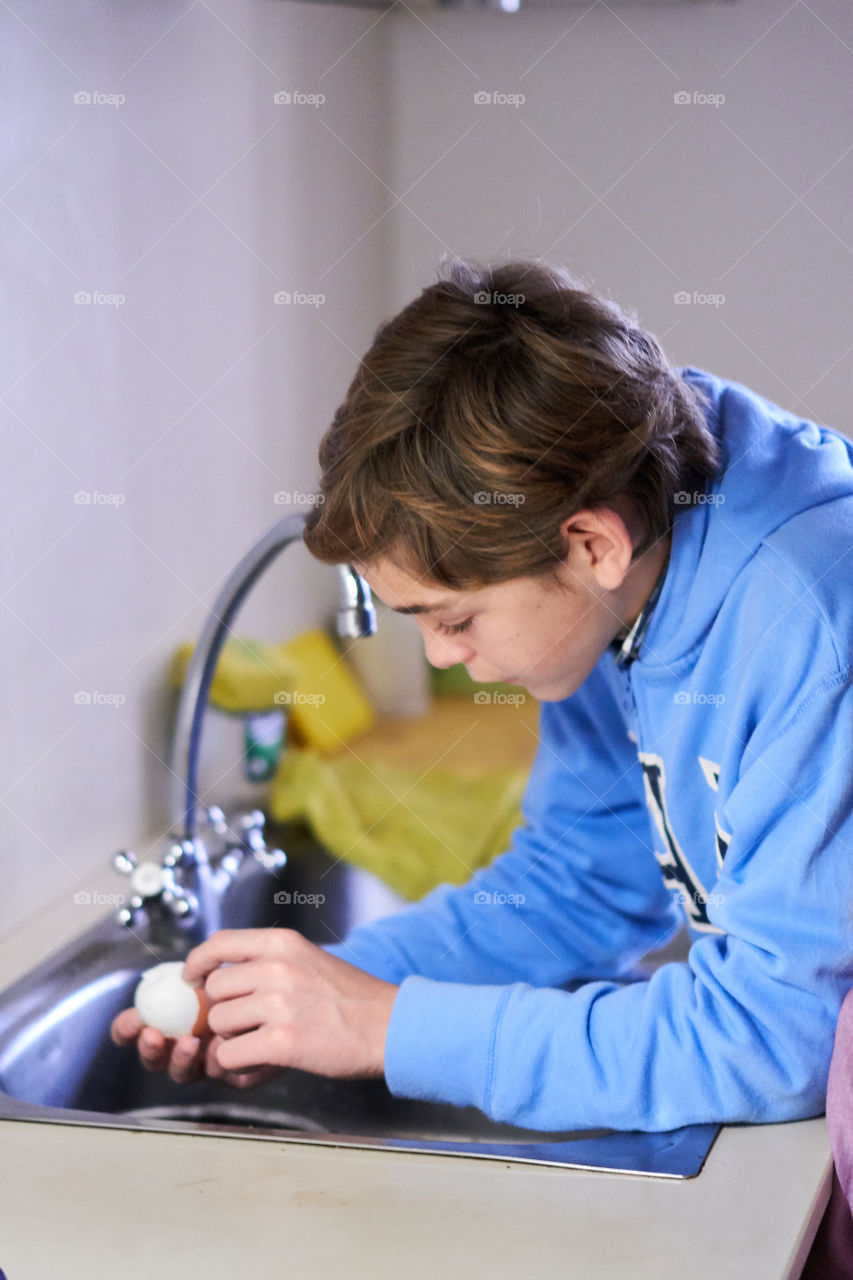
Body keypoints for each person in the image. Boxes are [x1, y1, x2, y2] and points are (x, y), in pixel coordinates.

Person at [112, 257, 853, 1139]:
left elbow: (775, 1038)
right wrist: (312, 992)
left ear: (589, 545)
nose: (444, 657)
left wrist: (382, 1026)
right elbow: (580, 883)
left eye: (456, 620)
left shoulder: (813, 619)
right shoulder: (614, 578)